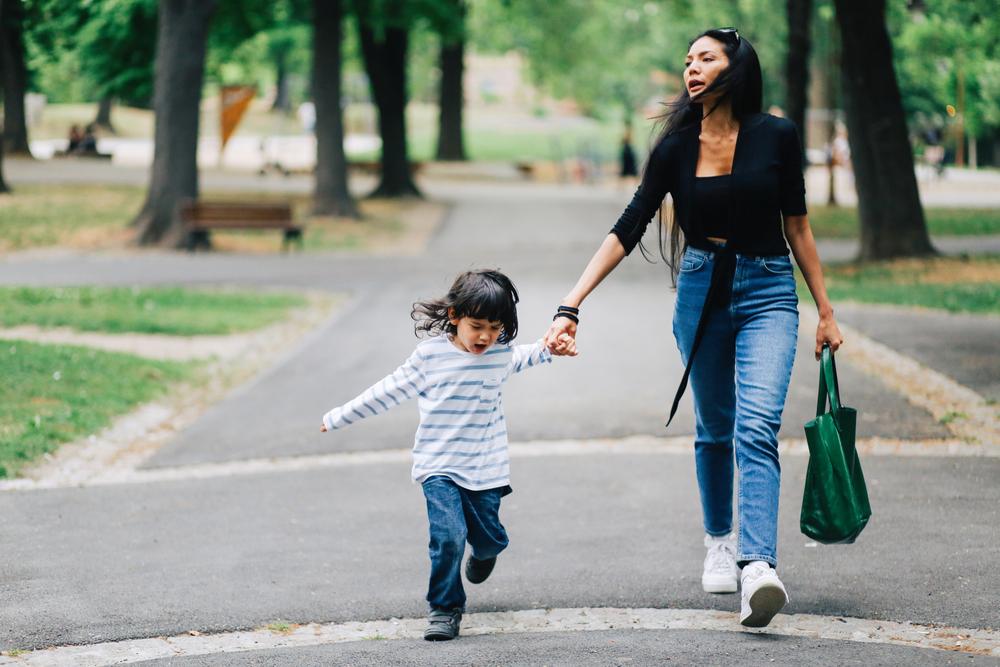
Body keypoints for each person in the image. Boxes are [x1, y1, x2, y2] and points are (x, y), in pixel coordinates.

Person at [543, 27, 844, 628]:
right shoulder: (677, 147)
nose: (692, 68)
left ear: (736, 66)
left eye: (705, 57)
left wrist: (826, 311)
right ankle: (719, 540)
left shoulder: (776, 136)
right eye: (686, 60)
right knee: (715, 426)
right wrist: (572, 301)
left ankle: (758, 566)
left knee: (756, 426)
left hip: (767, 291)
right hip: (702, 289)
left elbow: (799, 227)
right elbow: (630, 225)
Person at [320, 269, 576, 641]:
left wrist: (555, 346)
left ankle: (485, 553)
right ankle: (445, 607)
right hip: (437, 465)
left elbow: (533, 352)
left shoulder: (499, 355)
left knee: (489, 539)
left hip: (485, 467)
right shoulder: (430, 357)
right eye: (477, 326)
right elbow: (387, 391)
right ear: (455, 317)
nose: (486, 336)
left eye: (494, 327)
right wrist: (338, 416)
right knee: (450, 537)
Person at [619, 122, 639, 189]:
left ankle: (621, 186)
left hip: (627, 152)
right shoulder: (627, 134)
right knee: (627, 171)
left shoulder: (627, 134)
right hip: (627, 153)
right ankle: (621, 186)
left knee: (629, 171)